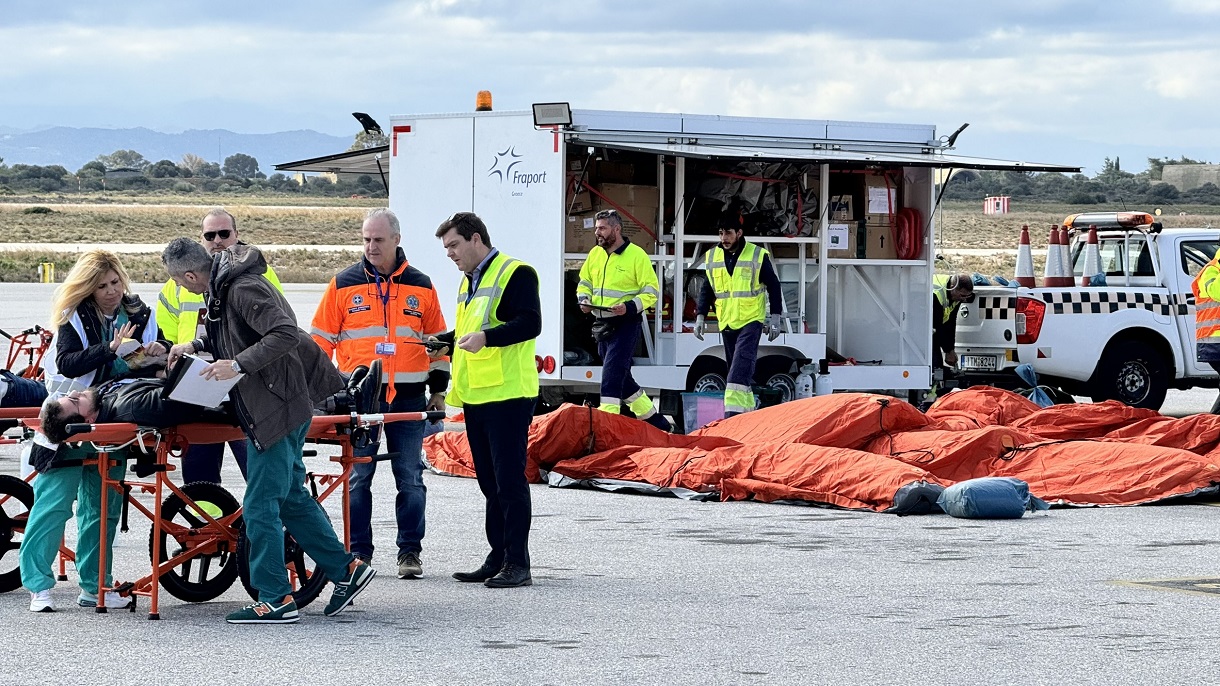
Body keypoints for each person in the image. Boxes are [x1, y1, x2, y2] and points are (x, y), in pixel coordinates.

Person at [162, 237, 374, 624]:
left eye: (180, 282)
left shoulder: (243, 288)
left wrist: (237, 365)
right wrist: (192, 344)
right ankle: (347, 570)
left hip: (277, 407)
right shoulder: (223, 288)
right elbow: (234, 333)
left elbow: (283, 334)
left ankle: (276, 597)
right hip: (280, 403)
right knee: (291, 497)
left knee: (261, 505)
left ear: (190, 274)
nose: (181, 289)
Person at [21, 250, 168, 613]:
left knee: (102, 509)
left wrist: (156, 349)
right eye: (101, 286)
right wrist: (110, 348)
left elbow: (160, 349)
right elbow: (68, 362)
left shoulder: (139, 313)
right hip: (69, 418)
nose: (111, 291)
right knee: (54, 505)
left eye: (115, 282)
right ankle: (38, 585)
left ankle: (95, 585)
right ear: (88, 288)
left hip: (113, 420)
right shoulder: (74, 317)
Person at [311, 208, 449, 579]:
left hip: (408, 398)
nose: (371, 246)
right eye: (366, 239)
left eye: (378, 240)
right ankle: (359, 553)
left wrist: (439, 392)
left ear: (396, 240)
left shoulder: (422, 285)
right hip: (360, 400)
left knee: (411, 477)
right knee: (357, 478)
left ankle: (410, 553)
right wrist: (322, 392)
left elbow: (438, 346)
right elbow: (319, 344)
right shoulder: (342, 284)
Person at [430, 212, 541, 589]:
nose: (450, 255)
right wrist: (445, 340)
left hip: (509, 395)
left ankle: (517, 563)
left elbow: (530, 323)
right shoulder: (469, 281)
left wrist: (487, 339)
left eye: (454, 246)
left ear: (475, 239)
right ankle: (498, 556)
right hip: (478, 396)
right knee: (490, 484)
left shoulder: (516, 273)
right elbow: (470, 330)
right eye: (446, 249)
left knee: (509, 482)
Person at [156, 208, 282, 485]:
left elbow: (276, 331)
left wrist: (240, 363)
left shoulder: (255, 277)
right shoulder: (177, 283)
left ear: (237, 236)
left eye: (224, 234)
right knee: (200, 477)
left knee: (262, 475)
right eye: (209, 235)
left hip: (244, 381)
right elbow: (165, 329)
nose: (217, 240)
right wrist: (179, 349)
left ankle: (265, 526)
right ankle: (206, 524)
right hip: (199, 383)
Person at [575, 208, 672, 431]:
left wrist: (628, 308)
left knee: (610, 376)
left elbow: (651, 292)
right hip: (601, 324)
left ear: (616, 229)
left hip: (625, 324)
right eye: (597, 228)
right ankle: (658, 424)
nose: (597, 233)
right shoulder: (595, 254)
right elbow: (584, 281)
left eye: (602, 228)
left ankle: (604, 428)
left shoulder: (637, 256)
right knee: (623, 379)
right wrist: (584, 299)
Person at [693, 218, 784, 417]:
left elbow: (774, 286)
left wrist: (776, 318)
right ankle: (749, 410)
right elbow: (706, 289)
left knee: (737, 370)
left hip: (751, 319)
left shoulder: (756, 255)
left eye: (728, 233)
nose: (724, 238)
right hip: (726, 321)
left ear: (739, 233)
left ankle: (731, 416)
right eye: (721, 233)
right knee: (738, 369)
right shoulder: (712, 256)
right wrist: (700, 316)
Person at [1192, 249, 1220, 412]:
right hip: (1214, 342)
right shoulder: (1211, 271)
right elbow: (1217, 292)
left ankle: (1212, 428)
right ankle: (1211, 428)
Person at [931, 273, 975, 370]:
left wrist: (951, 349)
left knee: (937, 366)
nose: (964, 299)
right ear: (952, 288)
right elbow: (938, 328)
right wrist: (948, 351)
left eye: (968, 296)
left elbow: (950, 323)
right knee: (934, 366)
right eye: (963, 295)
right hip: (920, 329)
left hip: (933, 328)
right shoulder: (936, 295)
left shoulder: (956, 297)